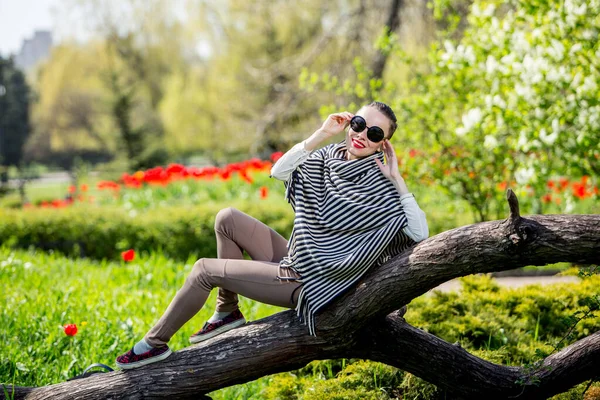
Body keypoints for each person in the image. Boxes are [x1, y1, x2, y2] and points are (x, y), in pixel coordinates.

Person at [115, 101, 429, 369]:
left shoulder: (380, 186)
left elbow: (419, 233)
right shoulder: (326, 158)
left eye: (374, 134)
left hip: (311, 283)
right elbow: (279, 171)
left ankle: (153, 344)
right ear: (350, 122)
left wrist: (397, 178)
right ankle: (227, 311)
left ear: (382, 144)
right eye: (359, 124)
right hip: (298, 258)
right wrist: (321, 134)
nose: (362, 135)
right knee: (227, 218)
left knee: (204, 271)